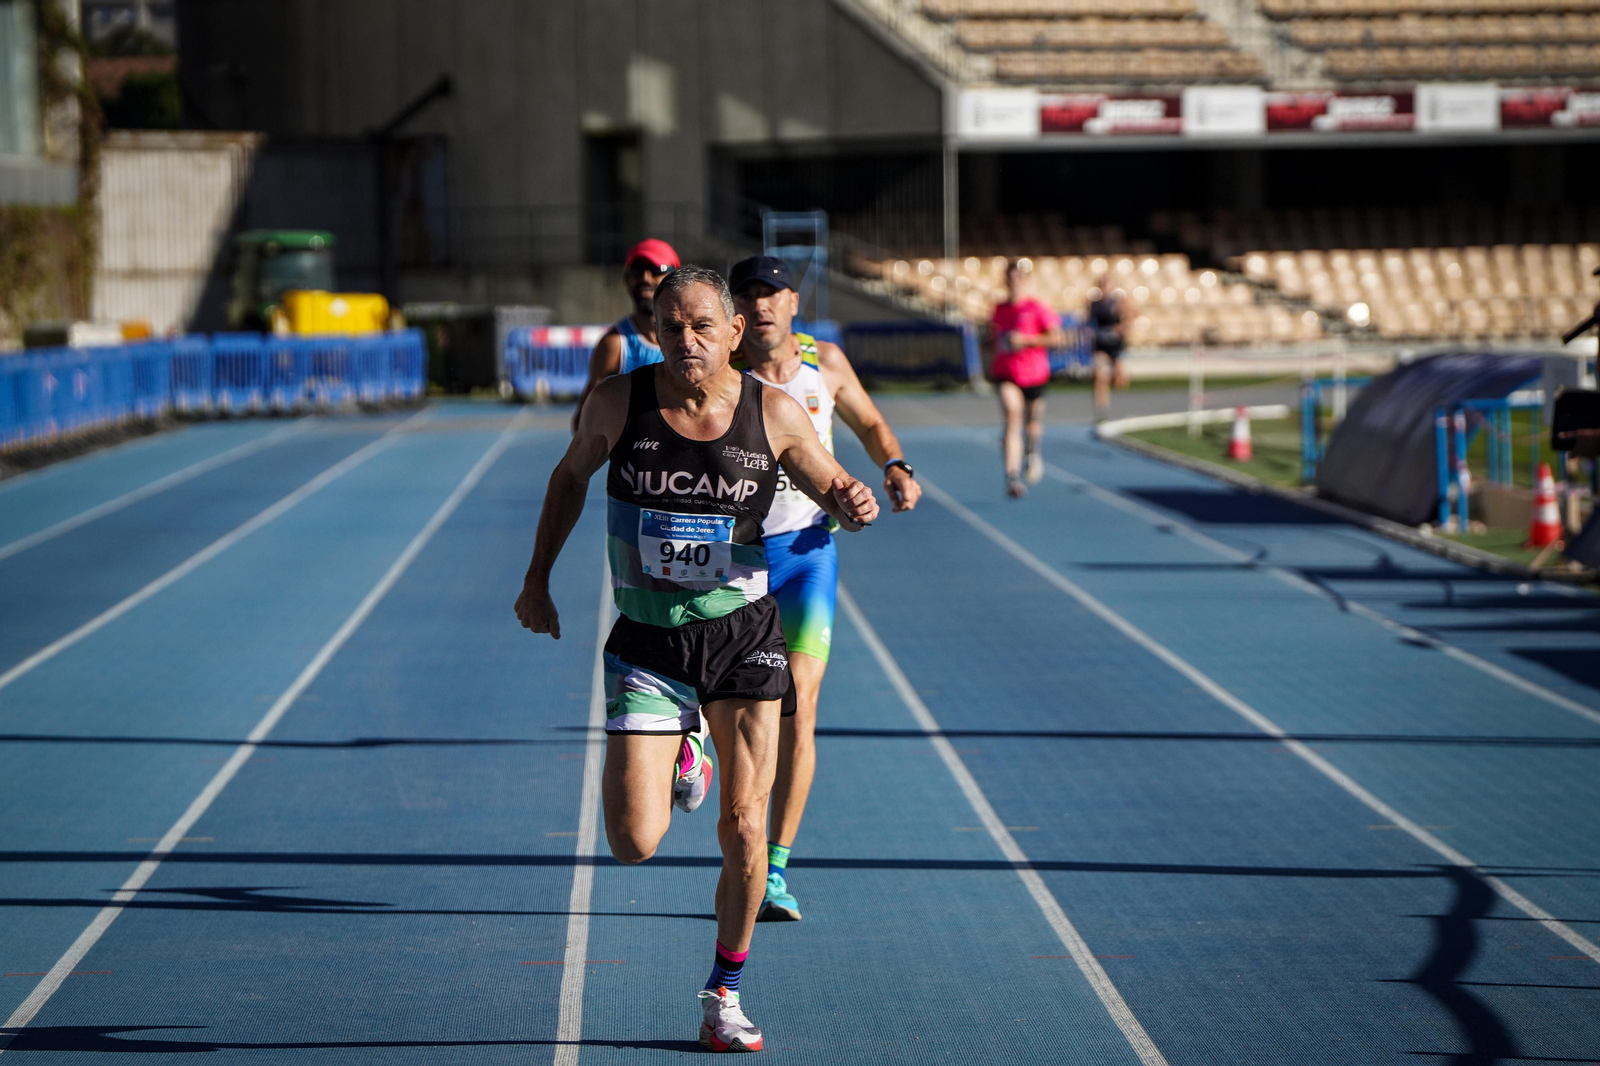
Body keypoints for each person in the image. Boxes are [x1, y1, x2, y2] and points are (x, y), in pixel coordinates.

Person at [514, 265, 879, 1053]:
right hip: (647, 640)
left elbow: (825, 476)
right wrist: (536, 579)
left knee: (746, 828)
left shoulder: (773, 412)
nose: (687, 340)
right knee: (634, 840)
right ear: (653, 331)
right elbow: (568, 477)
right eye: (671, 326)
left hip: (744, 637)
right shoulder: (618, 403)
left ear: (734, 332)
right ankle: (686, 738)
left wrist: (851, 494)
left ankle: (725, 992)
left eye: (703, 326)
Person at [727, 255, 921, 924]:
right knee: (722, 702)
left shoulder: (826, 363)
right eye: (748, 296)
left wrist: (893, 465)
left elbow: (869, 423)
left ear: (792, 301)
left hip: (807, 552)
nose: (762, 308)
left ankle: (775, 867)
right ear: (736, 310)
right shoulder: (723, 372)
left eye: (772, 294)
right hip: (733, 560)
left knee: (798, 709)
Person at [572, 238, 681, 429]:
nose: (646, 278)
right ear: (626, 280)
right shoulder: (614, 344)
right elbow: (582, 423)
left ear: (675, 277)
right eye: (637, 271)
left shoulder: (693, 338)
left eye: (656, 269)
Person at [990, 261, 1066, 497]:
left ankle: (1032, 451)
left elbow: (1057, 339)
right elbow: (993, 337)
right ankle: (1012, 477)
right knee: (1012, 416)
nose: (1014, 283)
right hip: (1007, 373)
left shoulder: (1037, 308)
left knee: (1032, 424)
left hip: (1035, 373)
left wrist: (1025, 341)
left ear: (1025, 280)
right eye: (1010, 278)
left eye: (1018, 278)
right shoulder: (999, 309)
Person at [1089, 273, 1130, 421]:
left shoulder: (1118, 303)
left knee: (1121, 381)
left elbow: (1131, 317)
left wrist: (1121, 328)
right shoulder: (1094, 305)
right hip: (1101, 346)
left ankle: (1122, 410)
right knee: (1101, 378)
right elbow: (1089, 323)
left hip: (1116, 346)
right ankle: (1102, 411)